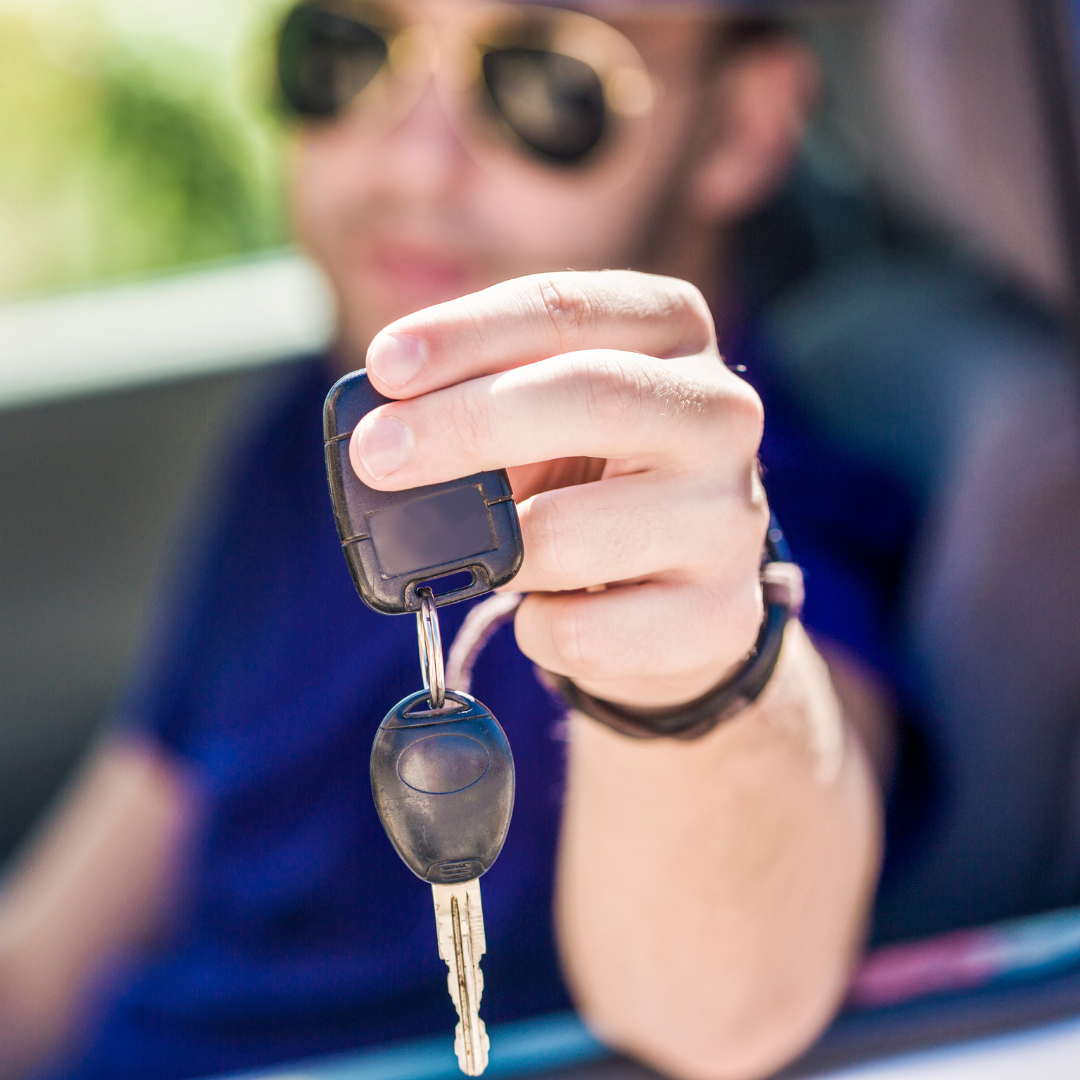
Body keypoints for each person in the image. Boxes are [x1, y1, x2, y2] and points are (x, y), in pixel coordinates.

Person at [0, 3, 900, 1078]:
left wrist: (698, 675)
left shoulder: (757, 512)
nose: (414, 163)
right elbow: (48, 953)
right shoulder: (316, 438)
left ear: (744, 125)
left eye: (542, 78)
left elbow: (723, 1012)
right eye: (343, 49)